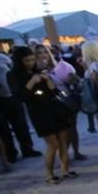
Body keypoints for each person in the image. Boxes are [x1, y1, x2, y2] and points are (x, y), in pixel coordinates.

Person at [11, 46, 75, 184]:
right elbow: (21, 96)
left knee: (63, 141)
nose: (30, 63)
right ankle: (49, 175)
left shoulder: (39, 70)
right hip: (39, 112)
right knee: (53, 144)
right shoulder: (14, 75)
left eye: (32, 60)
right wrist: (32, 82)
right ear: (19, 61)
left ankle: (66, 170)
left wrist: (48, 80)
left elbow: (54, 91)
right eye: (27, 60)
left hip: (54, 108)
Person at [0, 37, 41, 162]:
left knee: (21, 124)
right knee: (3, 128)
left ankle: (28, 149)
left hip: (12, 95)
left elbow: (15, 68)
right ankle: (10, 153)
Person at [34, 43, 87, 161]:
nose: (43, 55)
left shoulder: (60, 65)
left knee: (72, 128)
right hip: (51, 104)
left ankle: (76, 152)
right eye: (39, 53)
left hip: (67, 100)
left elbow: (75, 80)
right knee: (62, 131)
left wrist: (72, 79)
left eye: (45, 52)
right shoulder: (35, 70)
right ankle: (64, 155)